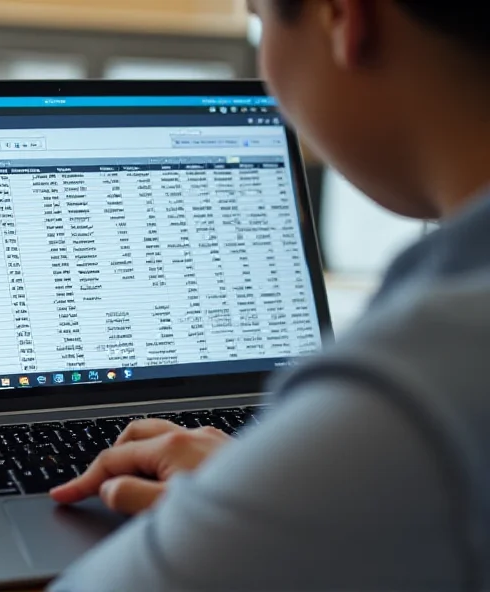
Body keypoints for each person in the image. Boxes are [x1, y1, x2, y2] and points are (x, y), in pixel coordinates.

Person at [47, 0, 490, 590]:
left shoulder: (414, 390)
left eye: (259, 17)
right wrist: (261, 484)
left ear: (343, 19)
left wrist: (256, 508)